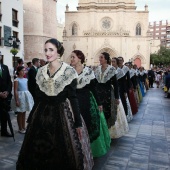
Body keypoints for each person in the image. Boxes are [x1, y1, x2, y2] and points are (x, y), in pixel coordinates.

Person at [16, 38, 93, 170]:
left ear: (58, 51)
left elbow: (73, 98)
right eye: (45, 50)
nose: (47, 53)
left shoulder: (69, 71)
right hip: (41, 115)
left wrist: (78, 123)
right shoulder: (40, 71)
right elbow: (39, 97)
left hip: (61, 114)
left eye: (51, 49)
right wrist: (31, 117)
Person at [71, 50, 111, 157]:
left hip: (86, 101)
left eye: (73, 57)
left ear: (79, 58)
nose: (71, 59)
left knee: (88, 125)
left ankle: (87, 150)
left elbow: (94, 89)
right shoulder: (69, 72)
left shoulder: (88, 71)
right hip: (72, 102)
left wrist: (99, 103)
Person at [94, 52, 119, 128]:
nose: (99, 59)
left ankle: (107, 129)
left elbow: (115, 84)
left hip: (108, 93)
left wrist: (117, 97)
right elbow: (94, 83)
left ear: (106, 59)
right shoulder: (97, 69)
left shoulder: (112, 69)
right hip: (98, 93)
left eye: (101, 57)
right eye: (99, 57)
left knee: (107, 112)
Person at [110, 57, 129, 138]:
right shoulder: (110, 70)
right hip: (111, 91)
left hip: (119, 90)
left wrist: (125, 91)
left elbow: (124, 82)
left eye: (114, 62)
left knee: (121, 105)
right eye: (112, 62)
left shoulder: (120, 72)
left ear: (117, 63)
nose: (112, 63)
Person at [11, 66, 34, 134]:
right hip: (20, 96)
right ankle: (20, 128)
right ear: (18, 71)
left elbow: (27, 89)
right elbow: (15, 90)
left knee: (24, 112)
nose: (24, 72)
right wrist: (17, 100)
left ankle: (23, 127)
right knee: (20, 112)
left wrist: (29, 97)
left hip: (25, 96)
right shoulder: (16, 80)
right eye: (22, 70)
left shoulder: (25, 79)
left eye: (24, 70)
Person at [0, 54, 13, 137]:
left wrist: (7, 92)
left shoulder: (5, 67)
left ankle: (4, 131)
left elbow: (9, 81)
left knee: (4, 115)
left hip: (5, 96)